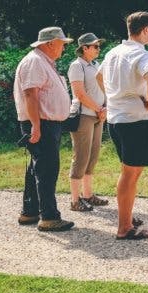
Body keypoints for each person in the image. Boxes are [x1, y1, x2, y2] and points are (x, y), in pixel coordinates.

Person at [100, 11, 148, 241]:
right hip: (136, 120)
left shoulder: (112, 53)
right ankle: (124, 227)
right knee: (130, 174)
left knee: (129, 172)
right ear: (145, 30)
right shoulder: (141, 54)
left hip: (116, 119)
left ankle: (126, 217)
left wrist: (113, 98)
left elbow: (98, 77)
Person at [13, 26, 75, 232]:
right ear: (50, 43)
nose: (63, 48)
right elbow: (30, 94)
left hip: (45, 123)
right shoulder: (35, 61)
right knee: (47, 169)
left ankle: (30, 211)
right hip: (41, 123)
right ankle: (49, 217)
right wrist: (36, 126)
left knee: (37, 168)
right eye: (62, 44)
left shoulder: (42, 61)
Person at [66, 33, 109, 212]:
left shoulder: (96, 65)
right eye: (95, 46)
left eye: (99, 46)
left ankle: (88, 195)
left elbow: (104, 88)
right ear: (85, 48)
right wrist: (99, 109)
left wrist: (105, 108)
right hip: (84, 115)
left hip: (98, 115)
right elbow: (79, 94)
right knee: (81, 157)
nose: (99, 49)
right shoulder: (77, 66)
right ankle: (75, 201)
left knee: (93, 156)